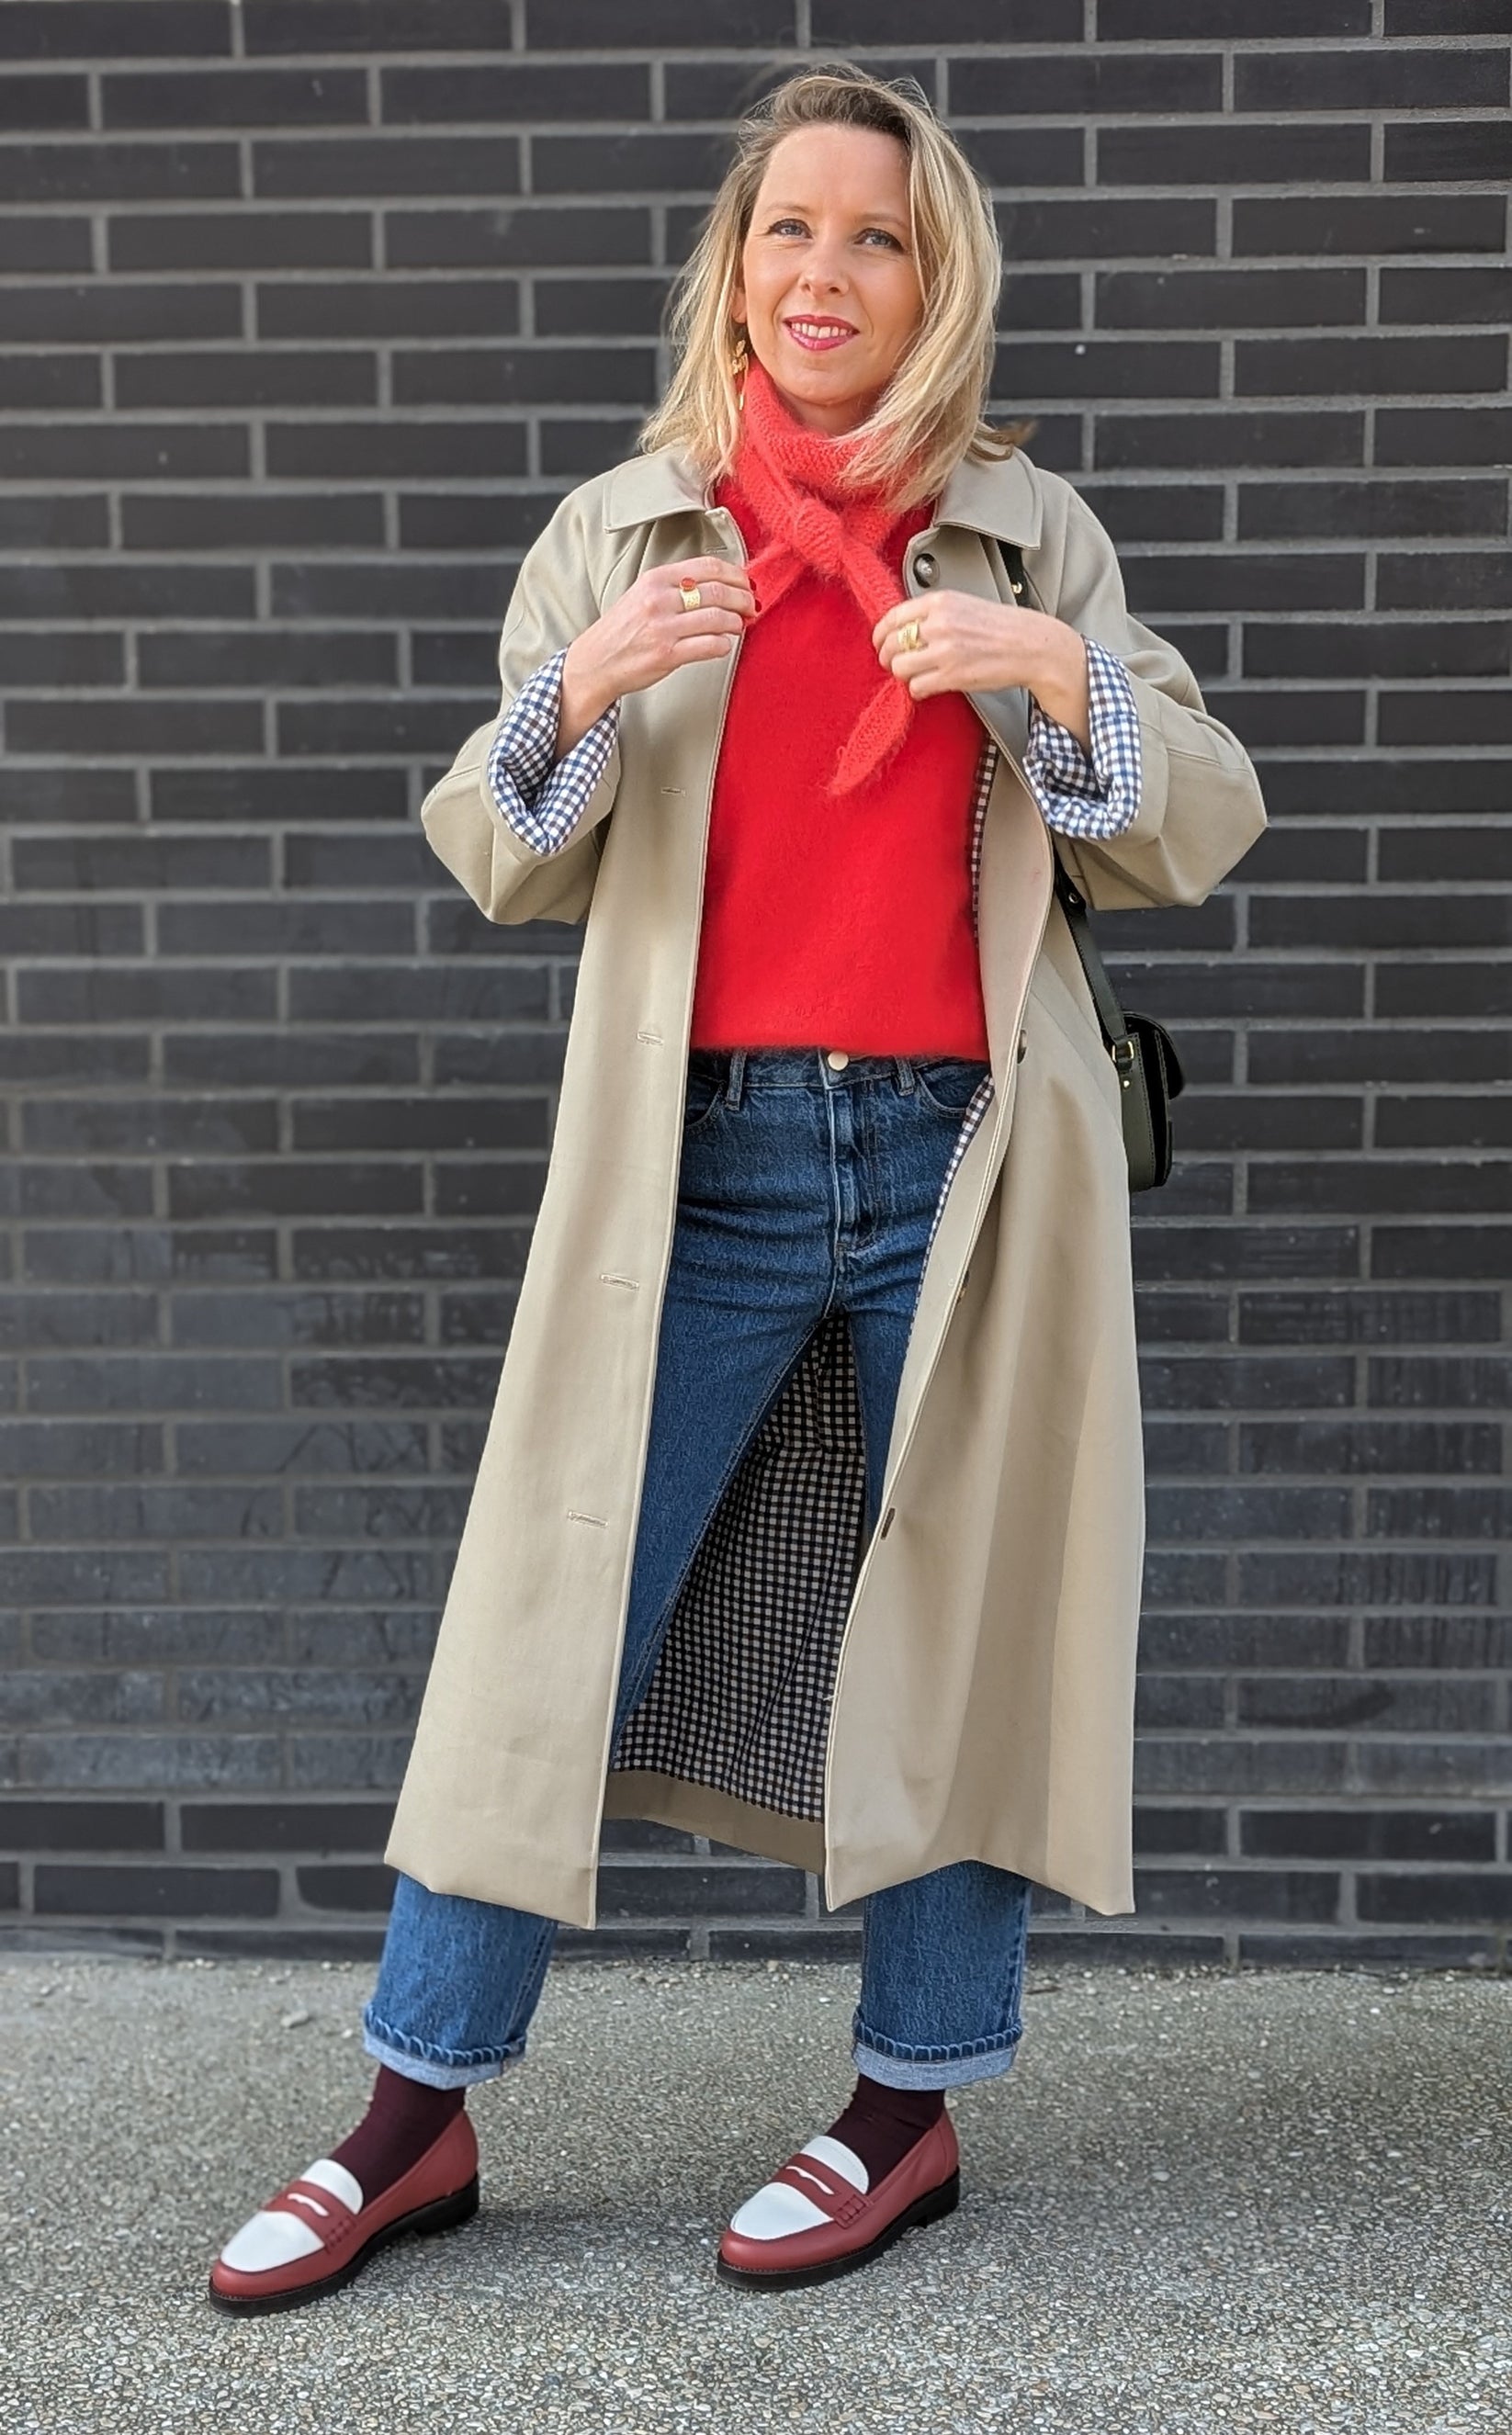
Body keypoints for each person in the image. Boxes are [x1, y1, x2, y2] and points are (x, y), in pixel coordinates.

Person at [209, 62, 1265, 2314]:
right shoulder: (628, 531)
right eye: (791, 227)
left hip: (963, 1166)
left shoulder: (1025, 535)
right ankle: (412, 2110)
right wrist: (587, 683)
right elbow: (499, 849)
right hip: (699, 1166)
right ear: (736, 265)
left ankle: (908, 2103)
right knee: (546, 1622)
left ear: (932, 281)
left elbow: (1194, 817)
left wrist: (1054, 672)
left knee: (960, 1627)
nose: (827, 271)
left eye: (878, 236)